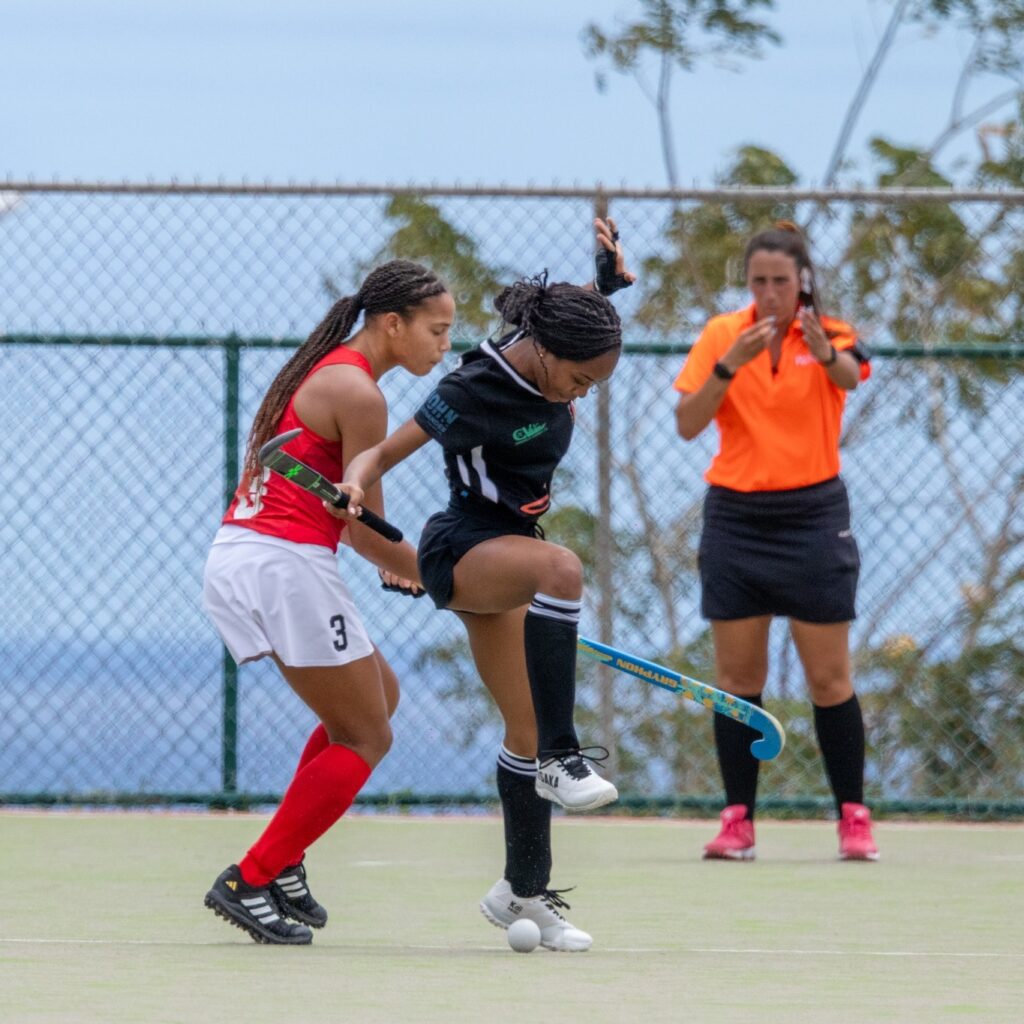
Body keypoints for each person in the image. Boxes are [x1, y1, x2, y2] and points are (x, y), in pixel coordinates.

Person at [332, 221, 636, 950]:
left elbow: (568, 319)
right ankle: (566, 758)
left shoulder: (556, 343)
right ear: (546, 355)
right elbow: (388, 449)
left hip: (510, 548)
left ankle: (522, 894)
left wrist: (605, 285)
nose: (583, 394)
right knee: (563, 569)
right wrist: (355, 482)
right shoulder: (470, 388)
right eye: (580, 381)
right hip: (464, 546)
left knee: (520, 728)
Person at [201, 259, 454, 944]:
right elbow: (364, 529)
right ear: (393, 324)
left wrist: (416, 569)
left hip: (264, 557)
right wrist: (448, 580)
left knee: (381, 697)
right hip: (285, 564)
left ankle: (283, 862)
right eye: (437, 330)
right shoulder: (358, 392)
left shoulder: (338, 374)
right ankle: (250, 876)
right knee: (368, 735)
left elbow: (363, 527)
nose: (444, 344)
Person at [672, 221, 878, 862]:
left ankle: (853, 816)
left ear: (802, 281)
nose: (768, 292)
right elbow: (686, 422)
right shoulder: (720, 335)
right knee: (738, 678)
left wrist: (821, 351)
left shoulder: (831, 334)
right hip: (736, 517)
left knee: (828, 677)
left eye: (780, 281)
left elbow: (849, 377)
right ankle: (737, 821)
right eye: (758, 281)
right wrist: (729, 367)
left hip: (814, 516)